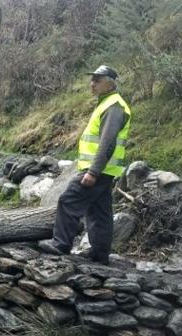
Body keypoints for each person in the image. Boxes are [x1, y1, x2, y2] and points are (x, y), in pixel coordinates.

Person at [38, 65, 131, 265]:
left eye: (97, 80)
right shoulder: (108, 103)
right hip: (105, 171)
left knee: (68, 200)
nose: (92, 84)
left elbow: (107, 143)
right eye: (92, 80)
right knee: (99, 211)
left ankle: (60, 244)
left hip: (99, 170)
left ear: (110, 83)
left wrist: (93, 171)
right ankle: (99, 254)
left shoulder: (113, 106)